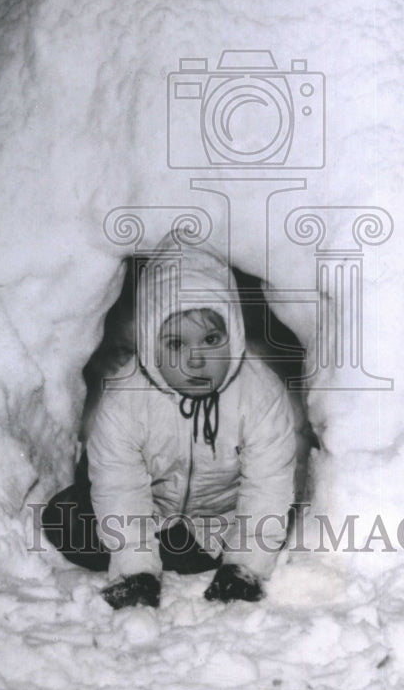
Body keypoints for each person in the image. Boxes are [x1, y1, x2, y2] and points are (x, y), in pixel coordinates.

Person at [42, 239, 296, 609]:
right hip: (152, 509)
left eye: (211, 339)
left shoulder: (260, 395)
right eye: (176, 344)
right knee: (66, 518)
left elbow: (267, 489)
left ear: (235, 334)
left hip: (217, 520)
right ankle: (152, 554)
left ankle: (186, 554)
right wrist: (135, 571)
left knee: (236, 538)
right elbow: (121, 488)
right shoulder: (127, 399)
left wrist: (244, 567)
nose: (196, 360)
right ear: (149, 344)